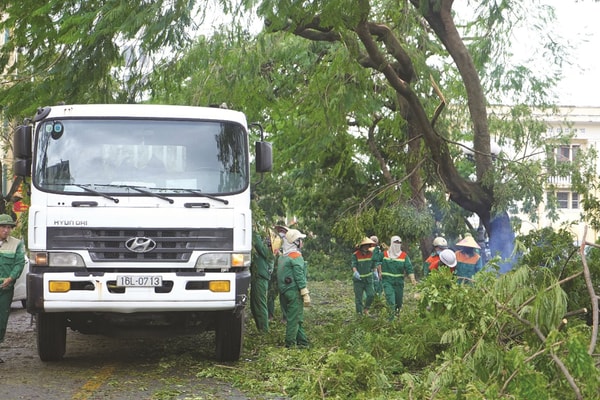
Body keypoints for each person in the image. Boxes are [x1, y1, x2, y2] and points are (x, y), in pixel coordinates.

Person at [277, 228, 310, 348]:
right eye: (300, 240)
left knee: (296, 318)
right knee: (294, 319)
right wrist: (304, 291)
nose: (302, 242)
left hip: (284, 292)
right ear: (296, 242)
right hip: (294, 291)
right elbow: (299, 275)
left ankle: (303, 342)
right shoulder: (296, 256)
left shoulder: (282, 257)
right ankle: (290, 345)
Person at [0, 214, 26, 363]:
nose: (6, 230)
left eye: (8, 227)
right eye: (3, 227)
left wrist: (11, 278)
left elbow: (19, 263)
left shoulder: (16, 244)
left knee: (1, 321)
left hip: (5, 289)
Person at [377, 236, 417, 320]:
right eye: (395, 243)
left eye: (399, 243)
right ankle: (391, 321)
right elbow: (375, 261)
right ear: (391, 243)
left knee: (398, 303)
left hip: (399, 283)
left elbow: (409, 268)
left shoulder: (404, 256)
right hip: (387, 282)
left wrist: (413, 279)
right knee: (391, 301)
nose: (397, 245)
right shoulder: (384, 254)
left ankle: (397, 317)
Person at [250, 229, 274, 332]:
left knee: (260, 304)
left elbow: (259, 246)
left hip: (260, 278)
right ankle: (261, 329)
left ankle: (264, 331)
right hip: (258, 278)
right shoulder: (267, 251)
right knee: (254, 304)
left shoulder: (268, 252)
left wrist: (254, 232)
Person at [351, 237, 377, 316]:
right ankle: (359, 314)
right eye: (365, 245)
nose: (367, 247)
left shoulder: (371, 254)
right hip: (359, 280)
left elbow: (374, 265)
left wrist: (375, 272)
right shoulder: (355, 255)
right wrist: (355, 272)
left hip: (368, 279)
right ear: (361, 246)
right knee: (359, 298)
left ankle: (366, 309)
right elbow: (354, 265)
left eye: (368, 245)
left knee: (371, 294)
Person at [268, 224, 288, 322]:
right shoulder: (273, 241)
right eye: (279, 230)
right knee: (271, 295)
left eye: (282, 230)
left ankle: (285, 317)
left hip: (283, 273)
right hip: (274, 272)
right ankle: (270, 315)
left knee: (284, 296)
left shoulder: (289, 242)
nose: (281, 232)